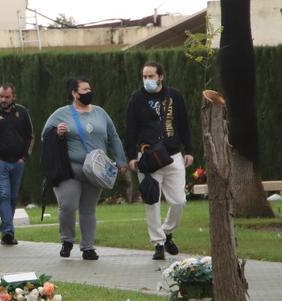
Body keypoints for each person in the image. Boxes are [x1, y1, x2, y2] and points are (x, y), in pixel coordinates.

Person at [44, 78, 128, 260]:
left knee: (88, 209)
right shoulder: (61, 113)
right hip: (71, 169)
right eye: (84, 89)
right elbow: (45, 134)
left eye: (90, 88)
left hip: (96, 170)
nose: (89, 91)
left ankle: (88, 247)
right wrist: (57, 131)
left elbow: (113, 137)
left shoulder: (100, 113)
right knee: (68, 205)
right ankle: (67, 240)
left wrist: (121, 160)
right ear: (75, 93)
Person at [126, 61, 194, 260]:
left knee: (179, 201)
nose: (147, 80)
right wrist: (131, 156)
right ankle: (158, 244)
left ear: (161, 76)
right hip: (148, 158)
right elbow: (131, 129)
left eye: (151, 76)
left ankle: (166, 231)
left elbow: (184, 124)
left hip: (173, 156)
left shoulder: (174, 96)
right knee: (152, 201)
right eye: (144, 76)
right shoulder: (137, 98)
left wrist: (189, 150)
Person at [0, 83, 33, 245]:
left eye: (6, 97)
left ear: (13, 97)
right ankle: (7, 232)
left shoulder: (22, 113)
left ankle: (7, 227)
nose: (3, 99)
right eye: (1, 96)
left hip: (18, 162)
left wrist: (25, 156)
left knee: (13, 196)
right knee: (3, 194)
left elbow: (30, 135)